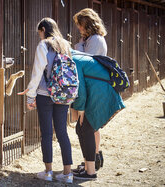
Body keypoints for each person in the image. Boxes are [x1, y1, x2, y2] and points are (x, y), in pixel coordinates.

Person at [18, 17, 73, 183]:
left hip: (45, 93)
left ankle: (48, 172)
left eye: (39, 32)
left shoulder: (44, 45)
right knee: (62, 132)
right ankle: (67, 174)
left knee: (47, 133)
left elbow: (37, 73)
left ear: (43, 29)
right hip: (63, 94)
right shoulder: (65, 44)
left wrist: (30, 96)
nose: (39, 36)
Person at [70, 48, 125, 180]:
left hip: (101, 94)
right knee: (81, 128)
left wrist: (81, 110)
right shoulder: (78, 56)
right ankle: (87, 168)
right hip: (98, 92)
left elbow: (80, 89)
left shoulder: (74, 61)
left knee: (87, 129)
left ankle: (91, 173)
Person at [72, 8, 108, 172]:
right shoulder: (91, 39)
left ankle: (92, 160)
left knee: (87, 126)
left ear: (88, 23)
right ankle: (93, 158)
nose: (79, 28)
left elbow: (85, 60)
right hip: (90, 84)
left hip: (92, 85)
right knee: (89, 125)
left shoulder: (95, 39)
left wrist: (78, 45)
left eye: (80, 25)